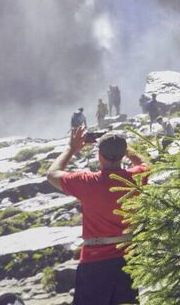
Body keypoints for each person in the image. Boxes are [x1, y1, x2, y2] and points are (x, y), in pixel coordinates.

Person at [46, 127, 148, 305]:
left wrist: (71, 148)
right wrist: (127, 149)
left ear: (99, 156)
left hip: (94, 261)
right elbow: (146, 164)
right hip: (127, 260)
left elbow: (52, 174)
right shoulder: (135, 179)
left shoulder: (87, 182)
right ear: (123, 155)